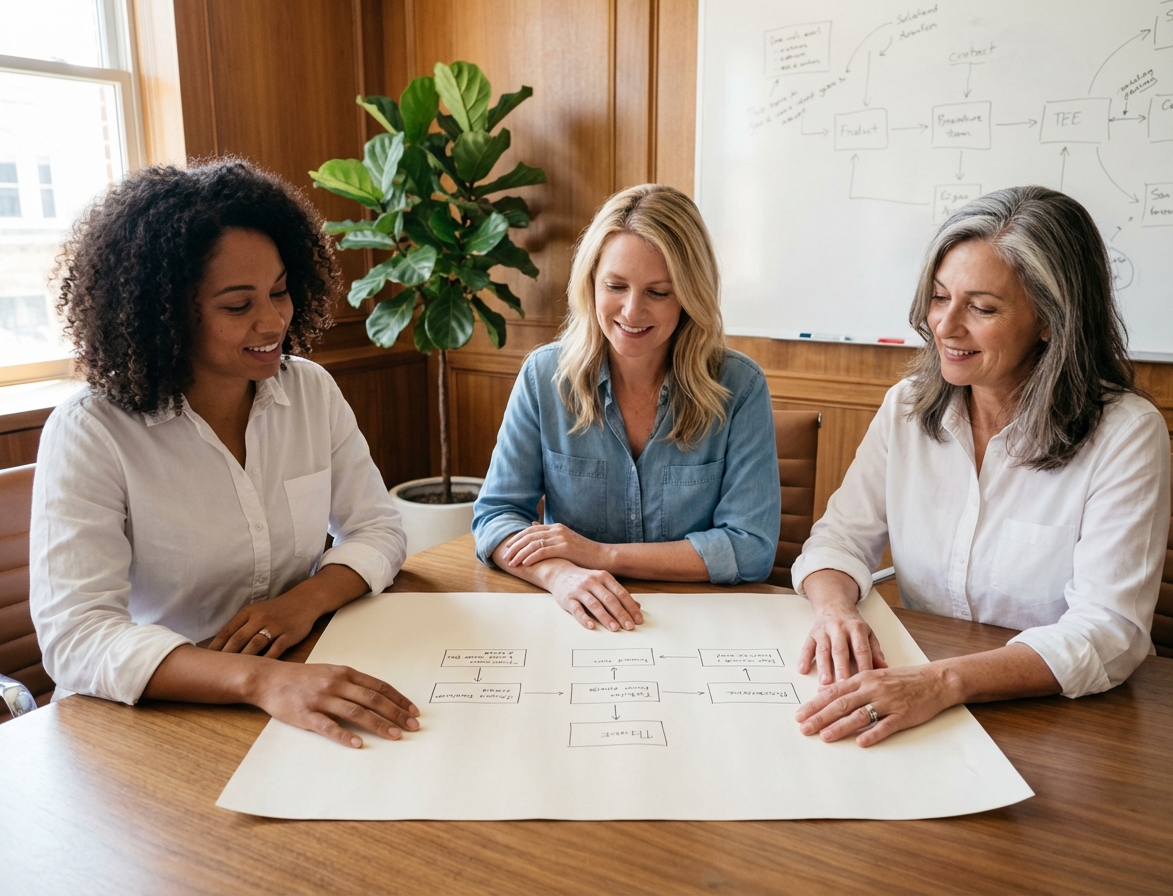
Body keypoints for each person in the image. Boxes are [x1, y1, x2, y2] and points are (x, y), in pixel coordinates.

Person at [30, 159, 420, 748]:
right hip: (149, 718)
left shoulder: (309, 389)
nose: (273, 320)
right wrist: (257, 679)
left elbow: (379, 529)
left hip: (296, 672)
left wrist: (300, 604)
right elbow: (77, 637)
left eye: (281, 291)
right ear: (162, 313)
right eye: (238, 306)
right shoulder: (91, 431)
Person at [791, 185, 1170, 747]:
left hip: (1059, 721)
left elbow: (1108, 632)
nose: (944, 326)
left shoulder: (1126, 434)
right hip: (921, 695)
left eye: (982, 308)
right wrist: (834, 610)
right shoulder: (906, 406)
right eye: (940, 297)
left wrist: (942, 681)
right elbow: (839, 540)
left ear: (1050, 320)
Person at [472, 184, 780, 631]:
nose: (632, 312)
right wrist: (560, 575)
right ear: (590, 282)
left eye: (658, 292)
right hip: (578, 622)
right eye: (615, 286)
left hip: (697, 627)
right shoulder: (544, 376)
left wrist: (600, 555)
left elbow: (750, 548)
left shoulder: (741, 386)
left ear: (690, 296)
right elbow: (495, 517)